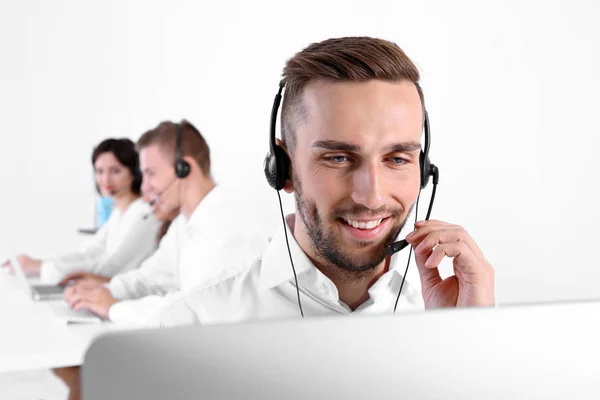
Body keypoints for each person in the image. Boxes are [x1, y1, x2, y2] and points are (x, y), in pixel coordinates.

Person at [154, 36, 495, 328]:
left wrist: (466, 342)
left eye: (397, 159)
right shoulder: (194, 322)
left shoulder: (450, 311)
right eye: (338, 158)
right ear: (284, 169)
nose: (372, 196)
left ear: (423, 168)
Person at [63, 120, 272, 325]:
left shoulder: (226, 225)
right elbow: (150, 278)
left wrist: (114, 308)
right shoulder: (184, 222)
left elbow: (192, 312)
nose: (144, 188)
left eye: (150, 174)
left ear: (185, 169)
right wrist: (106, 292)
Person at [16, 138, 160, 282]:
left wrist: (40, 268)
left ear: (134, 173)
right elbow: (88, 251)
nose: (106, 180)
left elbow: (110, 268)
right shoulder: (119, 212)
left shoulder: (144, 215)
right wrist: (42, 263)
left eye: (115, 171)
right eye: (100, 171)